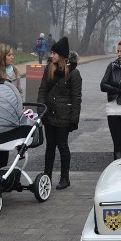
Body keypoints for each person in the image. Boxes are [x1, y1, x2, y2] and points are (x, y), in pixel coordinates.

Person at [37, 37, 82, 189]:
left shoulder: (74, 73)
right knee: (50, 146)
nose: (51, 55)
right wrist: (41, 110)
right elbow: (42, 89)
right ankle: (47, 176)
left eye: (54, 53)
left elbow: (76, 97)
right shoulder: (49, 68)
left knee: (62, 146)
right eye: (51, 52)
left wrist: (74, 119)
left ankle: (65, 177)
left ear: (62, 55)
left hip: (64, 115)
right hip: (49, 114)